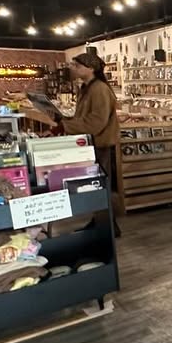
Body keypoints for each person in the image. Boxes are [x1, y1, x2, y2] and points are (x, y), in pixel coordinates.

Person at [55, 52, 122, 237]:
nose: (73, 68)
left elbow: (96, 122)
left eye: (77, 65)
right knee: (97, 185)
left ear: (90, 68)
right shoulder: (88, 87)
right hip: (92, 143)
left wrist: (66, 125)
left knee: (100, 185)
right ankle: (103, 222)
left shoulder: (98, 89)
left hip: (100, 144)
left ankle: (108, 225)